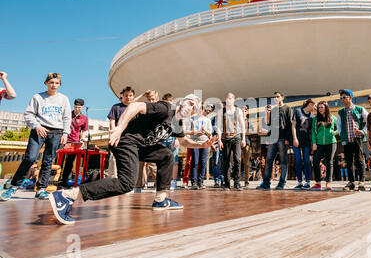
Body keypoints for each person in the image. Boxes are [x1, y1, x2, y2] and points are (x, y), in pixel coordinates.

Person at [48, 94, 218, 225]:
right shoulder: (166, 108)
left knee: (165, 154)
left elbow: (182, 141)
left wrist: (202, 146)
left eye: (195, 108)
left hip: (141, 147)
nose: (191, 108)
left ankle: (161, 199)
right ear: (182, 102)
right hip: (125, 140)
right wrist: (120, 128)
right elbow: (135, 106)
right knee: (126, 183)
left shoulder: (178, 124)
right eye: (190, 103)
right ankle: (67, 196)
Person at [1, 73, 71, 201]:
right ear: (46, 83)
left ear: (59, 84)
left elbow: (67, 117)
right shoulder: (38, 97)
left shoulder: (64, 99)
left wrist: (65, 133)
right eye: (51, 82)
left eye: (56, 83)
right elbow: (29, 114)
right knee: (30, 158)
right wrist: (37, 126)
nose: (53, 85)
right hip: (39, 130)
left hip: (56, 132)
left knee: (48, 160)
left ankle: (41, 189)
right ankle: (13, 186)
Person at [257, 92, 292, 190]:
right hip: (273, 138)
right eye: (274, 97)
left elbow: (289, 125)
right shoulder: (273, 110)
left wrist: (288, 139)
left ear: (282, 97)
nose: (276, 98)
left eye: (278, 97)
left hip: (282, 138)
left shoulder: (288, 109)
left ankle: (282, 183)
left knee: (283, 162)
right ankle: (266, 183)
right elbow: (269, 124)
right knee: (269, 160)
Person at [337, 89, 368, 191]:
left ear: (350, 97)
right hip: (346, 140)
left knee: (359, 160)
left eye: (344, 97)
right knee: (348, 161)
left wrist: (363, 131)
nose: (342, 99)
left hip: (357, 138)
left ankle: (362, 181)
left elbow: (369, 121)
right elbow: (339, 125)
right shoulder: (341, 112)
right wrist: (342, 135)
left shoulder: (359, 109)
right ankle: (351, 182)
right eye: (341, 98)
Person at [217, 93, 246, 190]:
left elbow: (242, 126)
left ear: (234, 100)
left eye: (230, 98)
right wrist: (219, 140)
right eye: (227, 98)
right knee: (226, 161)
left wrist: (243, 139)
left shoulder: (238, 111)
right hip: (225, 138)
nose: (228, 100)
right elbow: (219, 126)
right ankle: (227, 183)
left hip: (236, 137)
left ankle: (237, 182)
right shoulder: (221, 111)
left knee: (237, 160)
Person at [107, 87, 135, 178]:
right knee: (114, 159)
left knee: (130, 160)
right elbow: (112, 121)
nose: (128, 97)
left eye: (130, 95)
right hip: (117, 138)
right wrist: (113, 134)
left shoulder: (135, 108)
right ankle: (112, 179)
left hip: (131, 138)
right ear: (122, 96)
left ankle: (127, 180)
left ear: (133, 96)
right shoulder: (116, 107)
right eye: (126, 95)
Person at [60, 99, 88, 187]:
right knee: (59, 160)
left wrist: (82, 140)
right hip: (64, 140)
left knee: (69, 162)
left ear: (82, 107)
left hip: (75, 142)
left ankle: (64, 180)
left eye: (79, 107)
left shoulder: (84, 118)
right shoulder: (67, 114)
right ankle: (55, 179)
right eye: (75, 107)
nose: (77, 109)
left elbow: (84, 130)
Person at [135, 91, 159, 193]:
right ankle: (138, 186)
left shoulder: (159, 110)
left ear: (157, 100)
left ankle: (158, 186)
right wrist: (141, 95)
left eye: (153, 99)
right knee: (140, 164)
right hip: (141, 139)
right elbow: (132, 104)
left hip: (153, 140)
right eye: (149, 99)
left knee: (153, 164)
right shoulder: (143, 109)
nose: (151, 101)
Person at [311, 101, 338, 191]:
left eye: (322, 107)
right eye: (319, 108)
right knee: (315, 161)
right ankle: (318, 183)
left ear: (326, 108)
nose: (320, 109)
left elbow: (340, 128)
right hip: (319, 143)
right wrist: (314, 143)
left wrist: (335, 132)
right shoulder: (316, 119)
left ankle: (328, 182)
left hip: (331, 142)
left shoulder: (333, 118)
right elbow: (313, 132)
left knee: (329, 162)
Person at [185, 105, 212, 189]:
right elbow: (186, 131)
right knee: (195, 162)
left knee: (203, 162)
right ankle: (193, 182)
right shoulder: (191, 119)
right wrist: (195, 132)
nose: (199, 111)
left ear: (203, 110)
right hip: (194, 142)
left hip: (204, 142)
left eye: (201, 110)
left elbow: (210, 133)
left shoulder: (207, 120)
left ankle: (200, 181)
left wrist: (205, 131)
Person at [292, 99, 315, 190]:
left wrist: (313, 143)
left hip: (306, 142)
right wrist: (294, 138)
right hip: (296, 140)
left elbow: (312, 131)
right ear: (310, 104)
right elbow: (293, 125)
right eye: (314, 105)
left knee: (306, 161)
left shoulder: (312, 116)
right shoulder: (297, 111)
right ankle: (299, 182)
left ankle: (307, 181)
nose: (314, 108)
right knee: (297, 161)